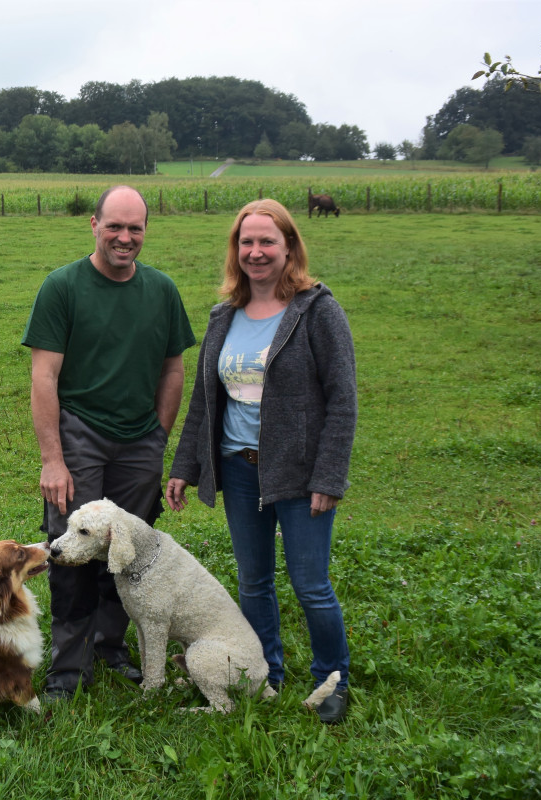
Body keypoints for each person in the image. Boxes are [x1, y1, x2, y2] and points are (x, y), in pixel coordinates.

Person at [165, 198, 356, 724]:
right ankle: (264, 672)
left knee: (310, 583)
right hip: (239, 469)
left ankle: (331, 677)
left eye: (267, 241)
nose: (256, 251)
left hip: (298, 473)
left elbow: (343, 399)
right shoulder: (224, 315)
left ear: (289, 246)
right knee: (253, 581)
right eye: (246, 242)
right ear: (236, 250)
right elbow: (206, 401)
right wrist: (185, 467)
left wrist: (329, 475)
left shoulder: (317, 310)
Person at [22, 185, 196, 701]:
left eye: (135, 228)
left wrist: (158, 438)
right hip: (80, 435)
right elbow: (44, 378)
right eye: (114, 226)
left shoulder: (162, 291)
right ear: (93, 225)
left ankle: (109, 647)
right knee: (74, 550)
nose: (125, 237)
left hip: (140, 440)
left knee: (128, 552)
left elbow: (173, 369)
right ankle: (68, 670)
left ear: (145, 230)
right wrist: (53, 459)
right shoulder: (63, 287)